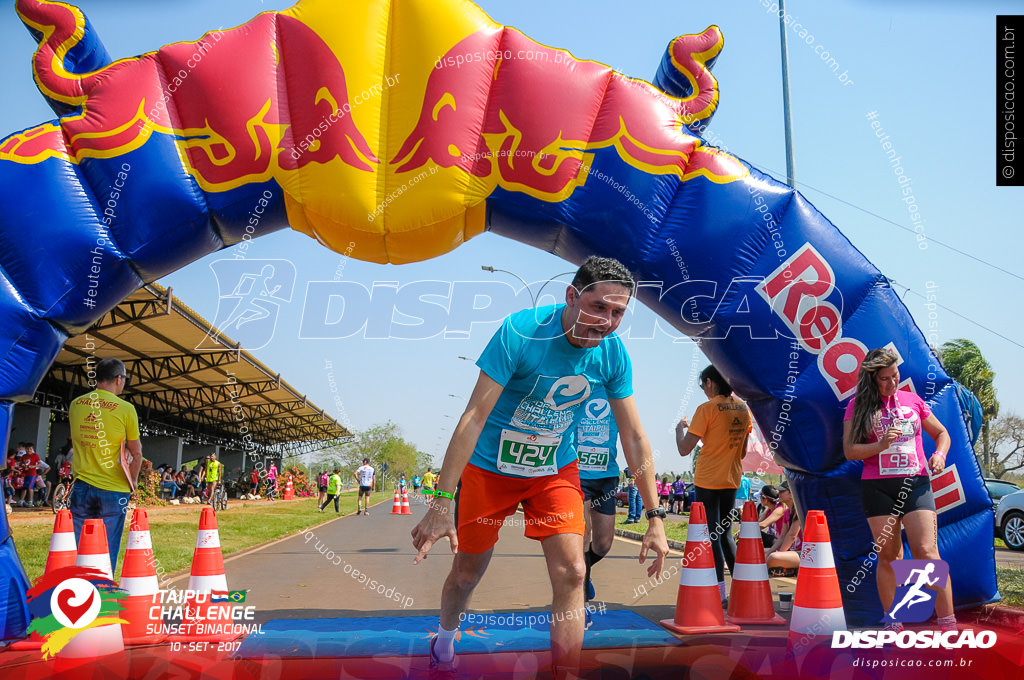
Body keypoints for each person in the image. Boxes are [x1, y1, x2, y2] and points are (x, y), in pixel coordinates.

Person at [411, 257, 668, 680]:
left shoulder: (613, 354)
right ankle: (443, 638)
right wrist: (441, 503)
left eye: (618, 313)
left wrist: (656, 516)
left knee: (573, 570)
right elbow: (473, 417)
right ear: (571, 296)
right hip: (490, 470)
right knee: (467, 573)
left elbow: (635, 436)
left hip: (554, 472)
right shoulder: (520, 332)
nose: (607, 322)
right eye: (599, 307)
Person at [842, 347, 955, 633]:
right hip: (878, 486)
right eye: (885, 378)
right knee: (890, 556)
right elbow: (850, 450)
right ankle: (894, 622)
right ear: (872, 380)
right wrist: (880, 446)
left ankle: (948, 623)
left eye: (895, 375)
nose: (893, 382)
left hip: (915, 483)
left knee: (927, 551)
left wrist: (939, 455)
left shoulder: (913, 400)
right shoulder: (858, 406)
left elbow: (942, 434)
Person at [676, 365, 752, 604]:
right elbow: (743, 452)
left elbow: (684, 448)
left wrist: (680, 430)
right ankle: (743, 591)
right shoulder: (743, 409)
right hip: (731, 478)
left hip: (708, 479)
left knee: (713, 536)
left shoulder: (706, 409)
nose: (704, 390)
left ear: (710, 382)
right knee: (726, 534)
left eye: (703, 386)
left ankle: (720, 594)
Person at [68, 358, 143, 572]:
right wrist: (134, 481)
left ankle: (77, 594)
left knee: (78, 547)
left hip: (81, 486)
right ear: (119, 379)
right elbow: (136, 453)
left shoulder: (76, 404)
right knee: (106, 550)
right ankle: (102, 594)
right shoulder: (126, 409)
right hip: (114, 489)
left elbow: (77, 440)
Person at [576, 386, 624, 621]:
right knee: (583, 537)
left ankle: (584, 570)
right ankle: (580, 606)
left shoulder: (616, 392)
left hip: (607, 475)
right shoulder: (575, 387)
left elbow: (631, 433)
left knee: (603, 544)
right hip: (576, 474)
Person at [764, 481, 802, 576]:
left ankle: (787, 567)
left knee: (773, 557)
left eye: (782, 491)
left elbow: (792, 535)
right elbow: (782, 537)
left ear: (791, 494)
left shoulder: (800, 511)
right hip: (792, 551)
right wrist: (768, 553)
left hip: (805, 553)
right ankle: (786, 567)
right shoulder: (787, 512)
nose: (778, 494)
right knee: (759, 553)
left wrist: (779, 554)